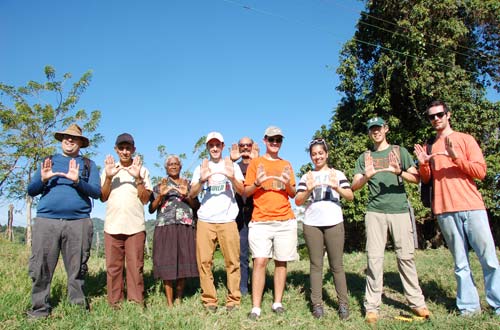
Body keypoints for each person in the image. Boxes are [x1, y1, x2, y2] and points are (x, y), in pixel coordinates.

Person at [415, 100, 500, 316]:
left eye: (439, 114)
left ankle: (497, 304)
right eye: (431, 116)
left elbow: (480, 172)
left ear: (448, 115)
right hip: (444, 210)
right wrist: (424, 163)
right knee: (460, 262)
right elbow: (427, 179)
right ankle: (469, 308)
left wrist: (456, 158)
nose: (436, 119)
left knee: (488, 258)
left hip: (472, 207)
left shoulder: (465, 139)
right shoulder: (430, 146)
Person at [351, 117, 430, 324]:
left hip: (400, 211)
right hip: (375, 212)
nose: (376, 132)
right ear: (369, 133)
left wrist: (399, 172)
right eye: (372, 129)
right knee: (374, 259)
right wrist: (366, 177)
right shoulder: (365, 157)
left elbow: (417, 178)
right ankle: (372, 307)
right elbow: (354, 186)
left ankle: (417, 303)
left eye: (379, 128)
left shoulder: (398, 151)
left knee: (406, 257)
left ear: (385, 129)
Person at [27, 124, 101, 318]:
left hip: (79, 222)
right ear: (61, 141)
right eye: (66, 137)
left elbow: (97, 192)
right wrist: (42, 179)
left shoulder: (88, 164)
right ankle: (39, 309)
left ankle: (77, 309)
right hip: (46, 221)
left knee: (77, 268)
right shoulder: (48, 161)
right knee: (40, 267)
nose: (69, 140)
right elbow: (31, 190)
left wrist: (78, 181)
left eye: (74, 138)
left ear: (80, 143)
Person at [295, 138, 353, 320]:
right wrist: (308, 189)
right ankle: (317, 304)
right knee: (316, 265)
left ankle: (343, 304)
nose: (317, 156)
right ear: (311, 157)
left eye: (321, 153)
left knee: (337, 265)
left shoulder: (337, 174)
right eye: (314, 154)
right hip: (312, 223)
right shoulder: (307, 176)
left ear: (327, 154)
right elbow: (297, 200)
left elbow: (350, 195)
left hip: (334, 221)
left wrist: (336, 186)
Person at [244, 126, 297, 320]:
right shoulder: (255, 163)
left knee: (281, 261)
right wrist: (258, 183)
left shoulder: (286, 164)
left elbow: (293, 194)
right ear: (265, 140)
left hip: (284, 220)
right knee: (260, 261)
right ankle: (256, 307)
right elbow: (245, 192)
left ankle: (277, 302)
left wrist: (287, 184)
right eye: (272, 139)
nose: (275, 143)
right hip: (260, 220)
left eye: (278, 140)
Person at [188, 131, 244, 312]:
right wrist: (202, 180)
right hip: (205, 220)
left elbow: (242, 190)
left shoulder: (231, 166)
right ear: (207, 148)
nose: (214, 148)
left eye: (217, 144)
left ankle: (233, 300)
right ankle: (209, 300)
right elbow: (192, 194)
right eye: (211, 145)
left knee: (232, 262)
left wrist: (232, 176)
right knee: (204, 262)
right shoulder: (201, 168)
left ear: (222, 146)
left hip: (228, 220)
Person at [100, 133, 152, 308]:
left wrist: (138, 178)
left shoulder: (143, 170)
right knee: (113, 267)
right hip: (112, 225)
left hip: (135, 226)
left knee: (135, 266)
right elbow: (103, 196)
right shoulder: (109, 169)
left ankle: (136, 301)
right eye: (121, 148)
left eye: (128, 148)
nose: (124, 151)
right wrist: (108, 177)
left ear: (133, 150)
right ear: (116, 150)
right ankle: (115, 302)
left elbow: (145, 199)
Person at [148, 155, 199, 307]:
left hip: (185, 225)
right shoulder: (159, 186)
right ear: (166, 168)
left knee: (184, 260)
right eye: (170, 164)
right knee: (167, 261)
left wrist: (187, 195)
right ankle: (169, 302)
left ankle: (179, 297)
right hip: (165, 226)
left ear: (180, 166)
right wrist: (161, 196)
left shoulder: (188, 184)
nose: (174, 166)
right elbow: (151, 209)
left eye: (176, 164)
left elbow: (197, 206)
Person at [230, 137, 260, 296]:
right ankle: (243, 287)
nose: (245, 148)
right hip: (239, 214)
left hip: (258, 213)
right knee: (241, 253)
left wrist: (258, 160)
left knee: (258, 254)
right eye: (242, 145)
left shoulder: (259, 164)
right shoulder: (233, 166)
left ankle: (258, 285)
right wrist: (230, 159)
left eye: (248, 145)